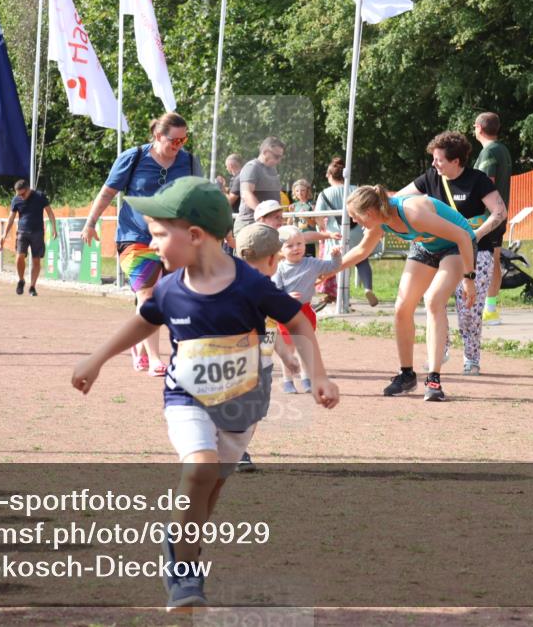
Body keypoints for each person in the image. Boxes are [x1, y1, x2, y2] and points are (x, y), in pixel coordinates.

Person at [71, 177, 338, 610]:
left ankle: (178, 541)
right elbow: (144, 321)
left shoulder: (250, 284)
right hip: (186, 397)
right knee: (199, 470)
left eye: (160, 235)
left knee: (210, 487)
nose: (154, 246)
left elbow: (300, 322)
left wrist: (317, 376)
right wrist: (96, 358)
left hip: (241, 403)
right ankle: (184, 570)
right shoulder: (169, 287)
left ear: (194, 236)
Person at [80, 112, 202, 377]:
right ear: (158, 135)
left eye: (184, 140)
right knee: (147, 293)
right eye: (174, 140)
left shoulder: (190, 162)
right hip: (135, 236)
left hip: (173, 239)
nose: (179, 146)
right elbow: (108, 192)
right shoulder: (133, 157)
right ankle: (156, 358)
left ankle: (141, 345)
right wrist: (90, 223)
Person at [337, 185, 477, 402]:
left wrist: (469, 279)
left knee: (433, 300)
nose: (356, 222)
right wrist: (327, 271)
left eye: (355, 217)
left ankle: (434, 379)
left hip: (456, 247)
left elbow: (463, 237)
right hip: (426, 247)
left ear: (370, 213)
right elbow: (361, 251)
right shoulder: (380, 219)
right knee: (402, 307)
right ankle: (407, 375)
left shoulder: (413, 211)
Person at [394, 131, 507, 375]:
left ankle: (471, 358)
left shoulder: (478, 180)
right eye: (434, 159)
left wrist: (474, 236)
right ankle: (439, 352)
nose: (434, 164)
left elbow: (499, 212)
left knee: (468, 310)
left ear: (456, 161)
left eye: (439, 160)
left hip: (476, 250)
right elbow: (397, 198)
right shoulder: (430, 178)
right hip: (441, 250)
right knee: (435, 302)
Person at [233, 222, 300, 473]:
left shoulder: (229, 283)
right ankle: (236, 450)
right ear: (273, 259)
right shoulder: (262, 290)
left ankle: (234, 449)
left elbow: (270, 328)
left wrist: (285, 355)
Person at [272, 226, 341, 394]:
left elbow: (332, 267)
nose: (296, 248)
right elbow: (274, 290)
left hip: (306, 312)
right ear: (280, 250)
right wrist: (286, 296)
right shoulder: (279, 268)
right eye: (289, 246)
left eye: (299, 244)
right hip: (286, 313)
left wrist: (335, 255)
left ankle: (306, 378)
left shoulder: (312, 263)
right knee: (288, 349)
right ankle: (287, 380)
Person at [314, 157, 378, 309]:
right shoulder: (356, 190)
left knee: (338, 263)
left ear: (329, 176)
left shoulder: (325, 193)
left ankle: (342, 297)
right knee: (361, 259)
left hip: (336, 233)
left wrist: (322, 228)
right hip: (358, 230)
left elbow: (317, 215)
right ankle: (368, 287)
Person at [473, 112, 513, 326]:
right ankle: (490, 308)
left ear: (479, 128)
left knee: (481, 260)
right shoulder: (503, 150)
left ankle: (479, 306)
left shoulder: (489, 151)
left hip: (486, 217)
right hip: (498, 213)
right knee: (494, 260)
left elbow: (486, 182)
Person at [0, 179, 57, 297]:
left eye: (22, 194)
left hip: (38, 232)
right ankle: (21, 280)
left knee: (36, 260)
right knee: (19, 256)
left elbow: (50, 213)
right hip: (22, 232)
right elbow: (11, 218)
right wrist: (4, 233)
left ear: (28, 189)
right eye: (18, 194)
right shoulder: (16, 200)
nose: (21, 196)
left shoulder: (40, 196)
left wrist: (54, 228)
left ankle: (32, 287)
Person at [233, 137, 285, 234]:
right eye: (276, 156)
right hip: (250, 225)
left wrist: (277, 218)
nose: (279, 160)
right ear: (265, 152)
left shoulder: (273, 170)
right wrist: (264, 213)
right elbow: (246, 194)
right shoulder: (252, 167)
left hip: (267, 226)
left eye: (280, 157)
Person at [290, 179, 317, 256]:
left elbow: (313, 225)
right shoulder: (294, 205)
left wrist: (305, 218)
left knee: (310, 263)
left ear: (307, 191)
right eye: (297, 191)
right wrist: (291, 213)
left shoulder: (311, 205)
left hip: (309, 240)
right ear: (294, 192)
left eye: (302, 190)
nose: (300, 193)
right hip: (296, 240)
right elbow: (289, 224)